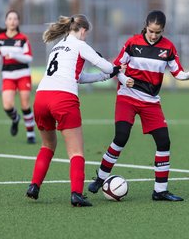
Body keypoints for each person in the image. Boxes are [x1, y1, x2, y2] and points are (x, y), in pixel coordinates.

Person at [88, 10, 189, 201]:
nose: (154, 35)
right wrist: (124, 80)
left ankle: (160, 191)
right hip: (127, 96)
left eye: (158, 32)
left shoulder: (169, 48)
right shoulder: (132, 43)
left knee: (164, 141)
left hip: (150, 101)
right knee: (121, 137)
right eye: (150, 31)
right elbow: (117, 67)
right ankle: (100, 178)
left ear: (163, 30)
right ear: (145, 26)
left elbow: (177, 73)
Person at [25, 14, 126, 207]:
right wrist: (114, 69)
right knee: (76, 151)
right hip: (63, 99)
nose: (86, 36)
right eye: (86, 33)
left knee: (47, 146)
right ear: (83, 30)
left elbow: (78, 77)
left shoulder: (57, 46)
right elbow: (104, 65)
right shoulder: (80, 44)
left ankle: (34, 186)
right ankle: (76, 195)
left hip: (41, 98)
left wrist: (103, 77)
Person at [0, 10, 36, 144]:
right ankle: (15, 119)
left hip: (23, 75)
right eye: (10, 19)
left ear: (18, 22)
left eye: (15, 19)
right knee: (7, 105)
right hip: (8, 76)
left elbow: (29, 58)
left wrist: (14, 55)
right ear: (6, 21)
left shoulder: (23, 38)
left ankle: (30, 134)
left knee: (25, 105)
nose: (12, 21)